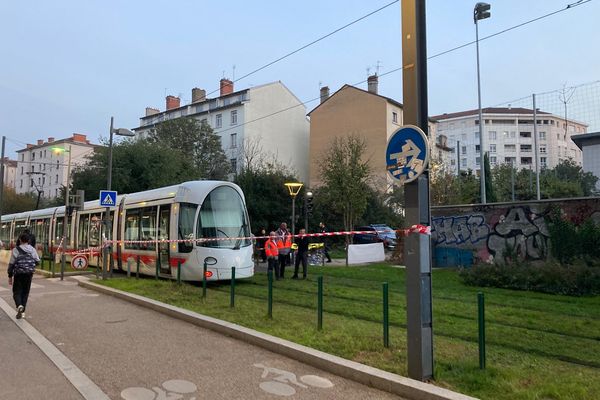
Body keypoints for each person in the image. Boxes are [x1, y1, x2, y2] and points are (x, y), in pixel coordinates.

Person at [7, 233, 40, 319]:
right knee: (25, 292)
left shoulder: (16, 250)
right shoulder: (32, 249)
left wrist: (10, 275)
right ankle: (23, 311)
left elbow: (11, 264)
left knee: (16, 292)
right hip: (29, 274)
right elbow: (37, 261)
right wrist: (29, 266)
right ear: (28, 240)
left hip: (19, 274)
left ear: (20, 240)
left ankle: (19, 305)